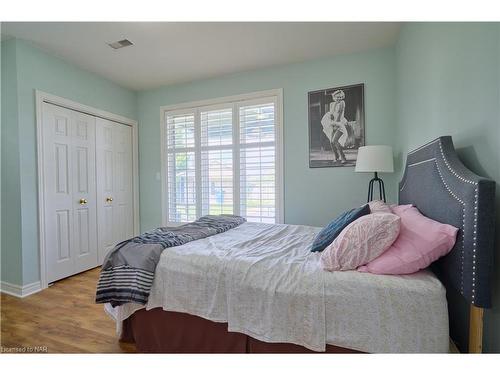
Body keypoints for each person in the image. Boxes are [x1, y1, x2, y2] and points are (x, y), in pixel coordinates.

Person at [329, 90, 348, 164]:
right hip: (333, 123)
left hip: (340, 123)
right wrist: (331, 122)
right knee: (331, 142)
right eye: (337, 97)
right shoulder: (331, 104)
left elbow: (339, 115)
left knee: (334, 141)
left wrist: (336, 125)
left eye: (340, 97)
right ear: (334, 97)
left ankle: (343, 157)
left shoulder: (342, 103)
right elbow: (331, 114)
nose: (339, 98)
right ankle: (336, 157)